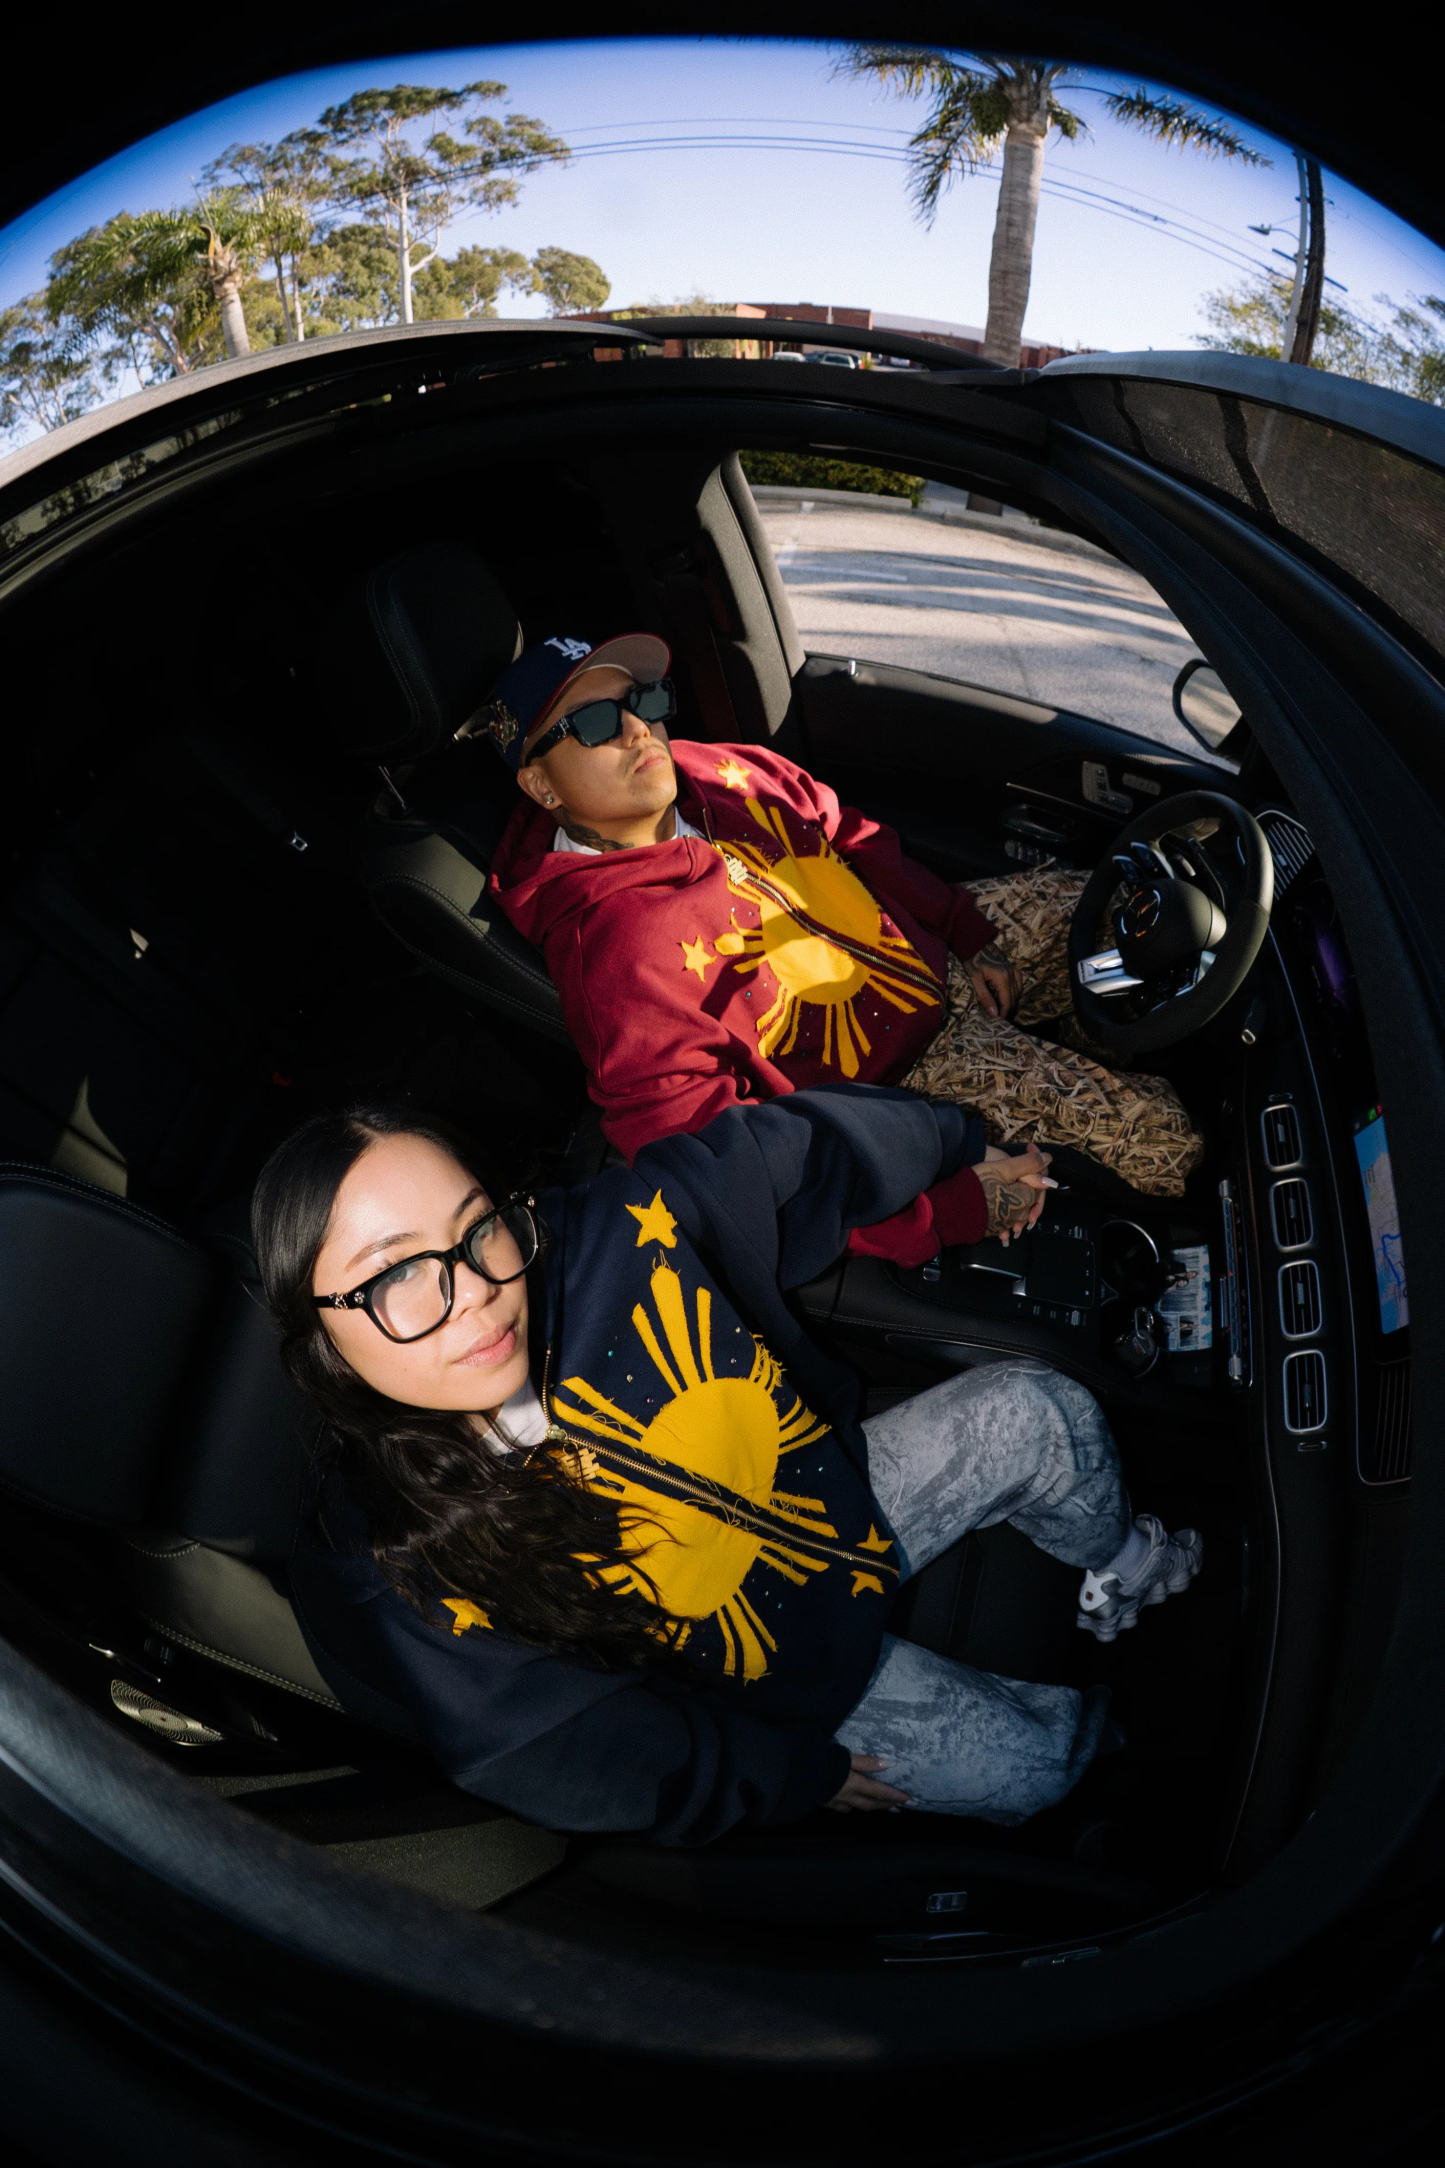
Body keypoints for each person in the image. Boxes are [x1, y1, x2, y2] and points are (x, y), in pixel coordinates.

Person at [257, 1087, 1202, 1845]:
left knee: (1042, 1413)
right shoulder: (404, 1564)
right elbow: (556, 1753)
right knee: (1041, 1769)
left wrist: (955, 1142)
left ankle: (1122, 1567)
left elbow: (788, 1151)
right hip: (774, 1685)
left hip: (842, 1505)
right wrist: (784, 1777)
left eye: (475, 1228)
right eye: (395, 1275)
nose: (472, 1290)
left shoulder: (608, 1241)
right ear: (320, 1335)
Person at [482, 633, 1204, 1267]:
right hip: (903, 1086)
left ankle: (1096, 1049)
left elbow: (849, 834)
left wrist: (963, 927)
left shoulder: (715, 770)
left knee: (1135, 903)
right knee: (1169, 1146)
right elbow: (713, 1169)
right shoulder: (616, 954)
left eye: (643, 700)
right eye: (595, 722)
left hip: (923, 950)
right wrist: (935, 1215)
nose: (640, 729)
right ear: (541, 785)